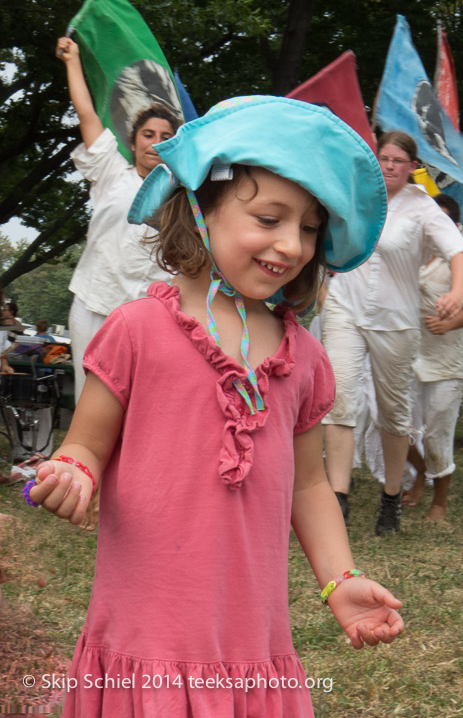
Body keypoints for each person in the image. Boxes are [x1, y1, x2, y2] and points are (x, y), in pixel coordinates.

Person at [25, 96, 403, 716]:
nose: (292, 244)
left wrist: (340, 580)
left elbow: (308, 485)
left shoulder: (304, 359)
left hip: (251, 642)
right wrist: (74, 469)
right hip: (147, 641)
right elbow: (88, 442)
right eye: (269, 217)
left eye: (309, 227)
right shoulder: (137, 329)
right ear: (200, 210)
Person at [322, 130, 463, 535]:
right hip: (344, 306)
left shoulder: (423, 208)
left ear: (412, 166)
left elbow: (458, 251)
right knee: (340, 399)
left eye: (398, 161)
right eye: (384, 158)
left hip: (395, 319)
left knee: (393, 413)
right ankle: (339, 498)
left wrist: (457, 291)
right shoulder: (356, 193)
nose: (389, 166)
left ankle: (390, 499)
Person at [56, 36, 182, 402]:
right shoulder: (112, 171)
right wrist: (72, 60)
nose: (154, 142)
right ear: (134, 139)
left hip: (147, 318)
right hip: (94, 305)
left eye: (164, 136)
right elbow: (87, 114)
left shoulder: (185, 198)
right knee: (89, 400)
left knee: (136, 404)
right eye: (148, 134)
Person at [403, 194, 463, 520]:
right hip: (407, 356)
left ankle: (440, 500)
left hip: (446, 361)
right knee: (397, 428)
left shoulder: (460, 261)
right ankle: (419, 472)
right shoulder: (408, 254)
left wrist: (448, 322)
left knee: (438, 433)